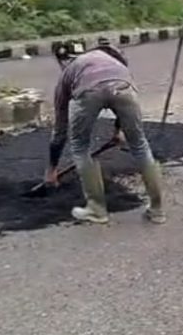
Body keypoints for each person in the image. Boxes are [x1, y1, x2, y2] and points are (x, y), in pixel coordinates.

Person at [46, 40, 165, 225]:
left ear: (62, 61)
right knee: (140, 145)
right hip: (124, 86)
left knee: (79, 146)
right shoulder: (107, 58)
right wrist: (119, 131)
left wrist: (52, 170)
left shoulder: (68, 73)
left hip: (90, 91)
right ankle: (157, 210)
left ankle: (97, 209)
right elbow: (118, 89)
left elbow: (60, 129)